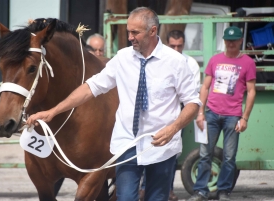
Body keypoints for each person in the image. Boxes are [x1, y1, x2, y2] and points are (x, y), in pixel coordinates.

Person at [27, 7, 201, 201]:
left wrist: (173, 129)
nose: (130, 37)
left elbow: (193, 103)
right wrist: (53, 111)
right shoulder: (123, 58)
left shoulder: (176, 62)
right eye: (128, 31)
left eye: (135, 32)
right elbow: (90, 88)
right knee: (125, 198)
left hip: (162, 146)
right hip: (127, 143)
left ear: (152, 31)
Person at [187, 26, 256, 201]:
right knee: (204, 154)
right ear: (224, 41)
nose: (231, 43)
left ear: (241, 41)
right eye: (228, 40)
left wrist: (245, 118)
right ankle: (200, 191)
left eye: (234, 40)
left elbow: (251, 91)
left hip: (233, 117)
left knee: (229, 156)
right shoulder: (215, 60)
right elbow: (205, 87)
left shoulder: (248, 62)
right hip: (211, 114)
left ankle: (224, 191)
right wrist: (200, 112)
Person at [139, 29, 201, 201]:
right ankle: (145, 188)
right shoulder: (158, 60)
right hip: (153, 112)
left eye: (179, 46)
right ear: (166, 43)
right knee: (146, 149)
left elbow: (192, 95)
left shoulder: (190, 63)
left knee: (170, 153)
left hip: (178, 115)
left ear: (184, 45)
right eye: (172, 45)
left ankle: (168, 189)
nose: (176, 49)